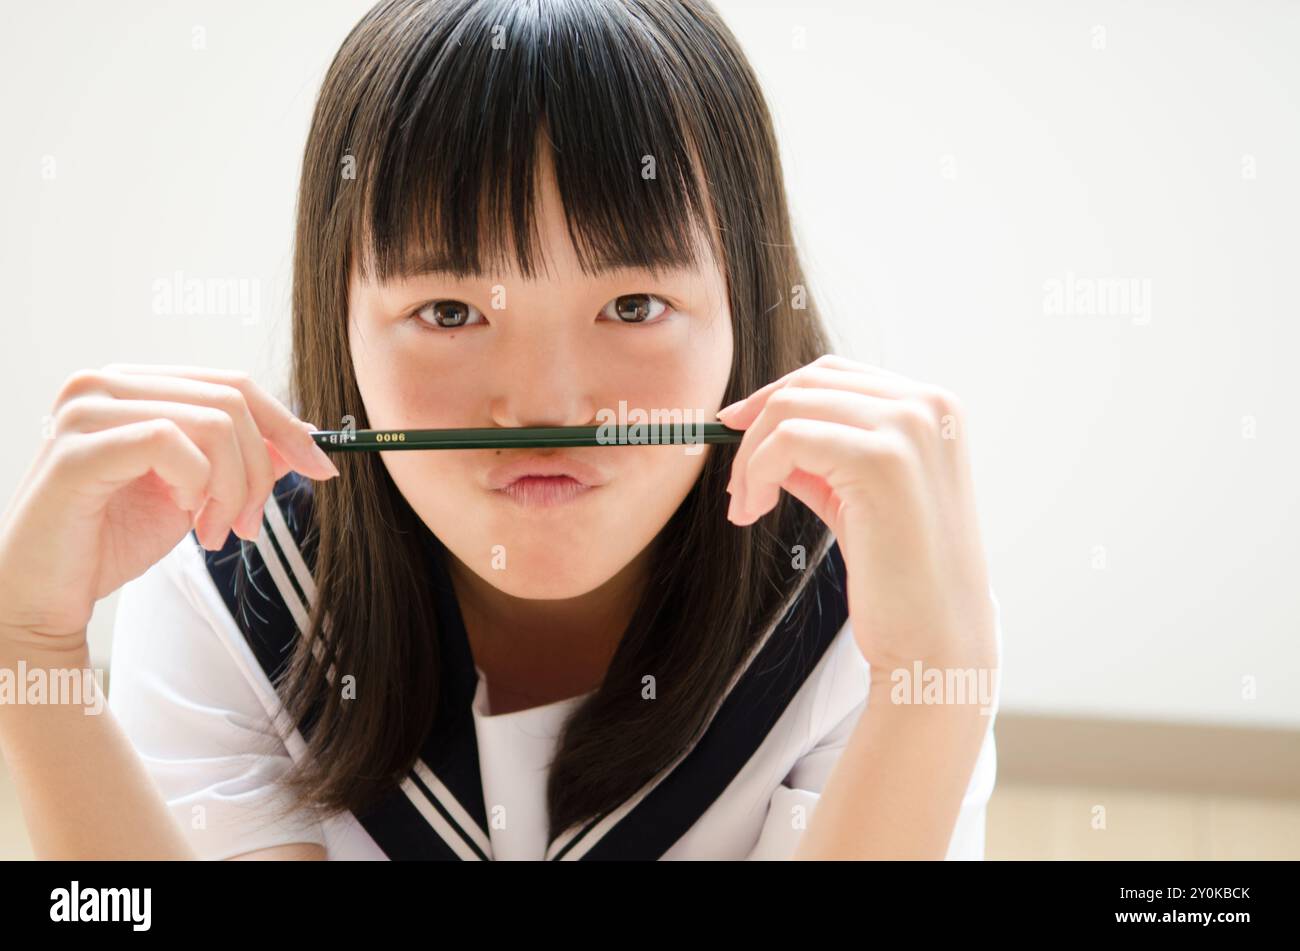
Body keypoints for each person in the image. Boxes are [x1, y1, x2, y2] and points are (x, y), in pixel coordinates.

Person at [0, 0, 1001, 860]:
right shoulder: (233, 571)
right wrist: (26, 646)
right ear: (338, 318)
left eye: (634, 305)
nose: (545, 406)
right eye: (448, 313)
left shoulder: (873, 598)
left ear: (744, 305)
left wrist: (931, 683)